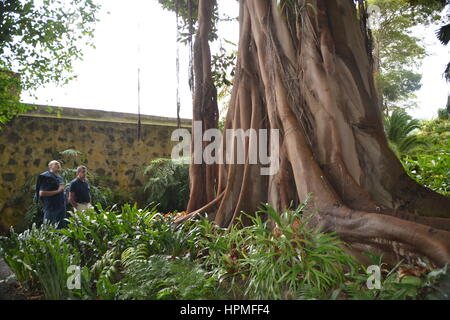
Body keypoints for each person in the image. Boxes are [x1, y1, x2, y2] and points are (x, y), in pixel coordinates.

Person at [35, 160, 67, 229]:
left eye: (59, 164)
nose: (58, 165)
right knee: (49, 229)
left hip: (61, 208)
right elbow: (42, 193)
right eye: (56, 164)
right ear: (50, 167)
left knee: (60, 230)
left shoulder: (59, 177)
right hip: (51, 208)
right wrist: (58, 191)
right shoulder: (46, 176)